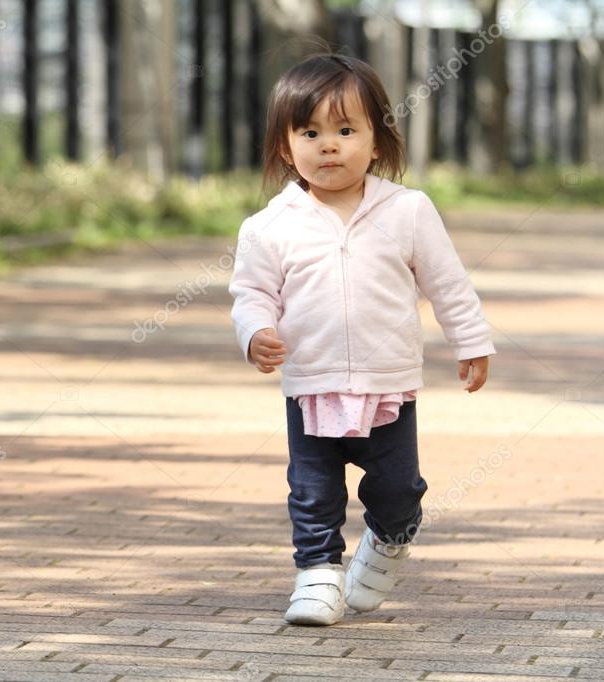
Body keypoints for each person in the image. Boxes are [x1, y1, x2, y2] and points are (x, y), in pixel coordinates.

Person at [228, 53, 495, 626]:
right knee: (312, 493)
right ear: (284, 146)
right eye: (311, 132)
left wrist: (470, 342)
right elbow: (250, 294)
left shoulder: (408, 211)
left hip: (388, 385)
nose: (330, 145)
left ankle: (387, 544)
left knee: (400, 489)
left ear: (376, 142)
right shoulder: (269, 227)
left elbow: (447, 283)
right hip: (312, 384)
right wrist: (255, 333)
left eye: (346, 130)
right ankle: (318, 576)